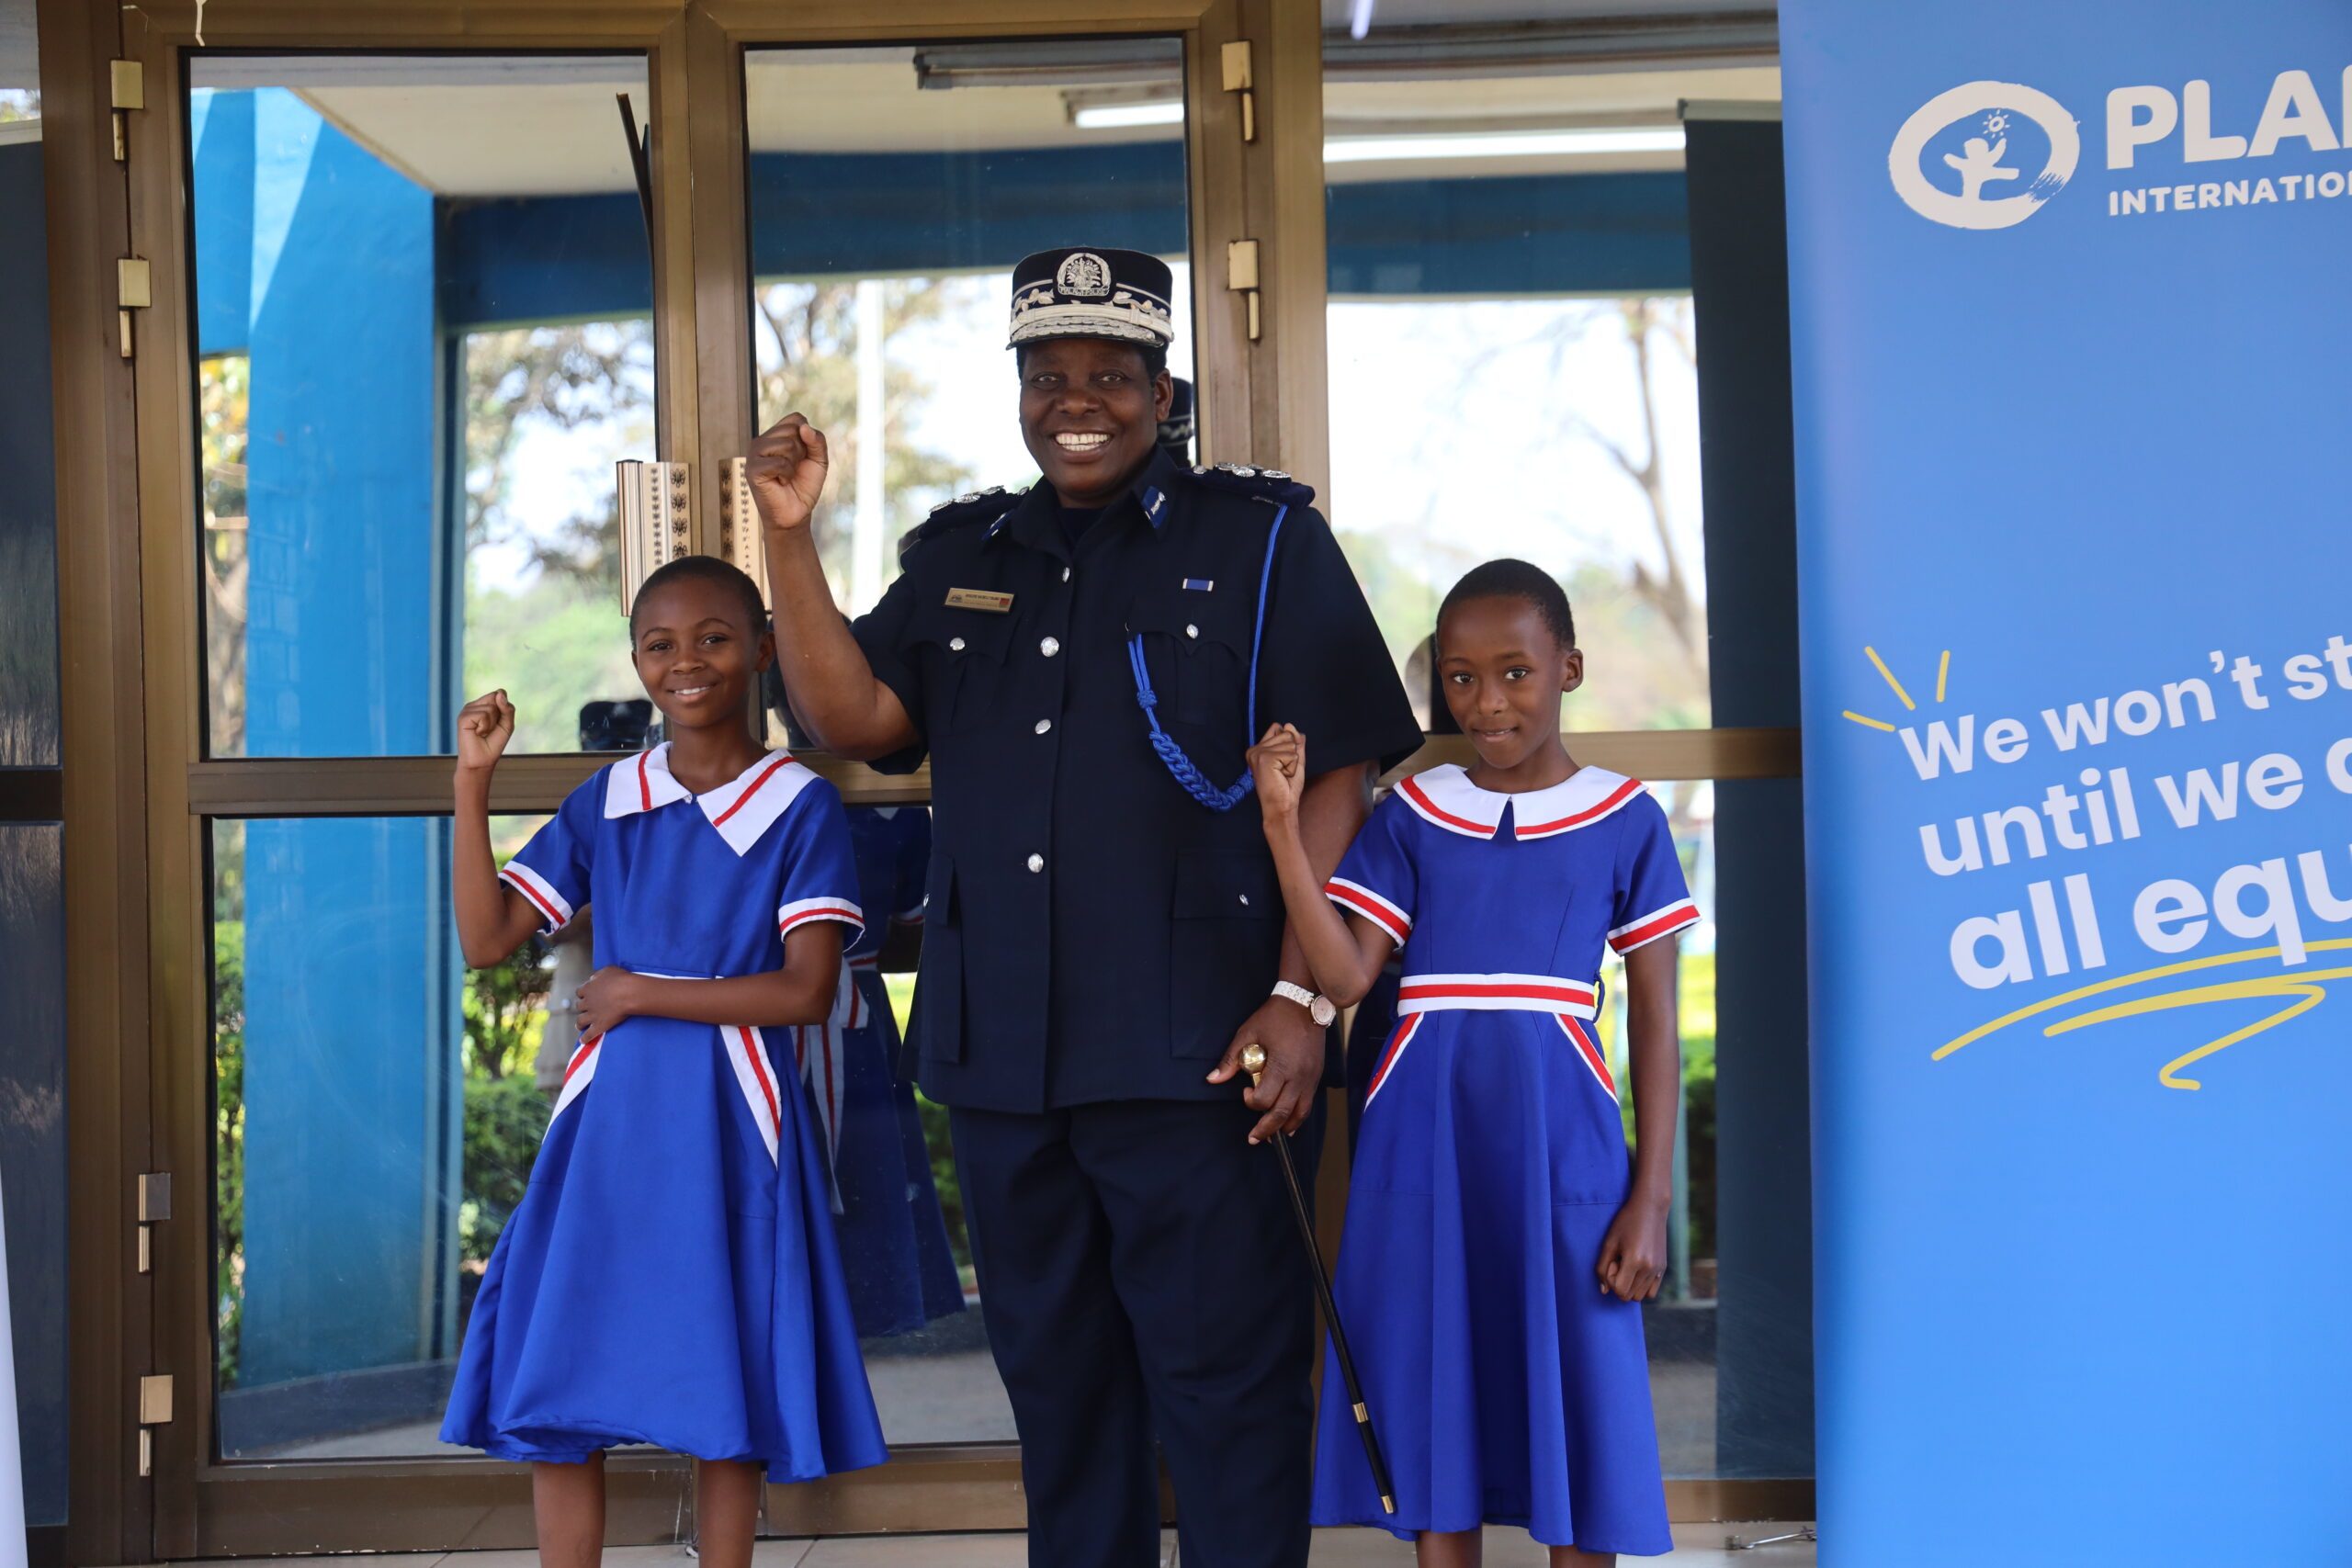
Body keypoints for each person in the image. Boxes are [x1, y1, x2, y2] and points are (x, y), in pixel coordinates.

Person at [751, 245, 1422, 1568]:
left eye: (1110, 375)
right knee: (1059, 1397)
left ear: (1162, 387)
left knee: (1224, 1390)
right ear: (1018, 388)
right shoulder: (964, 551)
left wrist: (1298, 996)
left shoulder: (1264, 539)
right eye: (1048, 375)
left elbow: (1336, 770)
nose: (1079, 400)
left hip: (1202, 1050)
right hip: (1009, 1052)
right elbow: (851, 714)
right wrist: (788, 534)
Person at [439, 556, 887, 1568]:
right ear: (638, 661)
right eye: (659, 645)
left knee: (719, 1366)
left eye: (715, 638)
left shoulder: (797, 805)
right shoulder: (612, 800)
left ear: (763, 650)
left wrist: (638, 990)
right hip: (609, 1124)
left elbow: (803, 991)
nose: (685, 663)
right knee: (561, 1356)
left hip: (735, 1117)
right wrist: (473, 783)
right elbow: (486, 936)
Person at [1247, 558, 1694, 1564]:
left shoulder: (1625, 816)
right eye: (1458, 678)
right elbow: (1348, 977)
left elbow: (1656, 1023)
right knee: (1429, 1374)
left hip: (1565, 1148)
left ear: (1567, 667)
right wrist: (1283, 830)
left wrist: (1650, 1199)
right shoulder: (1413, 811)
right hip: (1420, 1145)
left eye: (1514, 673)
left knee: (1573, 1378)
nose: (1486, 702)